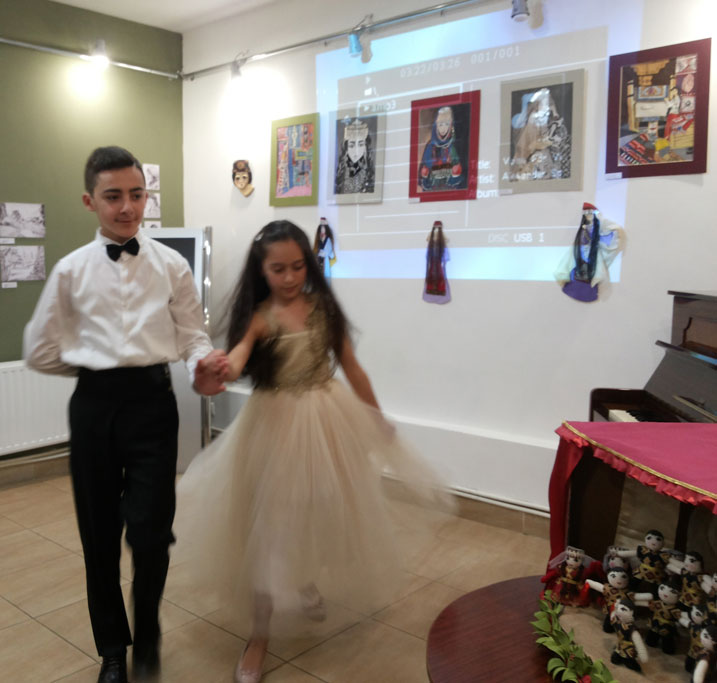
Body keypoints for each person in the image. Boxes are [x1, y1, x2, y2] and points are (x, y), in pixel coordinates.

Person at [174, 220, 450, 683]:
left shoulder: (323, 308)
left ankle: (303, 579)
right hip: (275, 426)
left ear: (309, 264)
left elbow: (352, 367)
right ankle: (259, 635)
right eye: (278, 269)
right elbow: (237, 359)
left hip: (327, 420)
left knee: (319, 510)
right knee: (271, 529)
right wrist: (217, 368)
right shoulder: (260, 317)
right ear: (261, 270)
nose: (289, 277)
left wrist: (376, 416)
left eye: (297, 266)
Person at [23, 146, 228, 683]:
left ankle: (149, 631)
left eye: (137, 195)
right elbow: (38, 350)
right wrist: (93, 368)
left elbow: (193, 335)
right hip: (94, 408)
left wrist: (201, 365)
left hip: (153, 406)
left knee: (151, 531)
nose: (127, 207)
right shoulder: (70, 271)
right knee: (98, 535)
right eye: (113, 196)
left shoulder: (172, 265)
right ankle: (113, 650)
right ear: (90, 201)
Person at [418, 106, 464, 191]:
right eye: (440, 124)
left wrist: (455, 176)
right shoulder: (430, 146)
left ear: (450, 125)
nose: (443, 128)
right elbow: (423, 173)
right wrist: (425, 178)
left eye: (446, 124)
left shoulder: (454, 145)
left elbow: (458, 172)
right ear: (436, 126)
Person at [334, 118, 374, 194]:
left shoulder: (369, 173)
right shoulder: (341, 172)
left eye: (361, 145)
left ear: (365, 147)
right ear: (346, 148)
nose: (356, 151)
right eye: (351, 146)